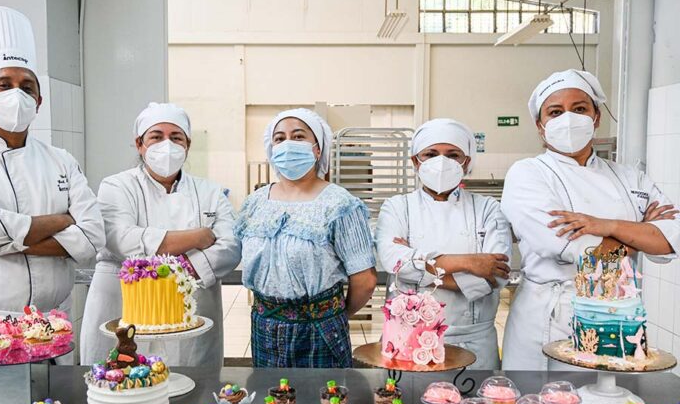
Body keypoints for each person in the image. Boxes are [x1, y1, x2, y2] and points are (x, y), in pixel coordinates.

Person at [0, 6, 105, 332]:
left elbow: (94, 240)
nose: (17, 94)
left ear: (39, 101)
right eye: (3, 84)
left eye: (27, 87)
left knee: (56, 387)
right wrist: (62, 221)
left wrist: (4, 243)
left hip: (53, 320)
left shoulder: (61, 160)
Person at [501, 69, 680, 370]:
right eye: (555, 112)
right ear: (540, 126)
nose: (568, 119)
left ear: (596, 117)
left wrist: (606, 226)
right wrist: (640, 237)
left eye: (580, 109)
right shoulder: (527, 173)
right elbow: (575, 249)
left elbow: (670, 237)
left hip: (618, 315)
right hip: (550, 314)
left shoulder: (629, 176)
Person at [80, 103, 241, 368]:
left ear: (187, 144)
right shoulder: (116, 186)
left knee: (192, 388)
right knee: (122, 389)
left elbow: (230, 246)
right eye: (156, 136)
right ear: (140, 144)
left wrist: (174, 275)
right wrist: (200, 236)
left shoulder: (210, 191)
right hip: (123, 307)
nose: (167, 145)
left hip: (193, 310)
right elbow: (123, 240)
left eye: (176, 137)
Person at [234, 108, 377, 368]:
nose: (288, 144)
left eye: (298, 137)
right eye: (279, 139)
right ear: (271, 149)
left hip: (319, 330)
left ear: (317, 149)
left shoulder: (339, 204)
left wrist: (333, 316)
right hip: (264, 327)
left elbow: (365, 280)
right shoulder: (255, 203)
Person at [375, 118, 512, 369]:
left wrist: (417, 266)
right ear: (416, 161)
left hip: (473, 341)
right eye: (430, 154)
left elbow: (497, 275)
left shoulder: (488, 208)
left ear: (466, 161)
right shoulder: (397, 206)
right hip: (408, 336)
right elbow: (394, 262)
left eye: (452, 154)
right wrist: (470, 262)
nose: (441, 162)